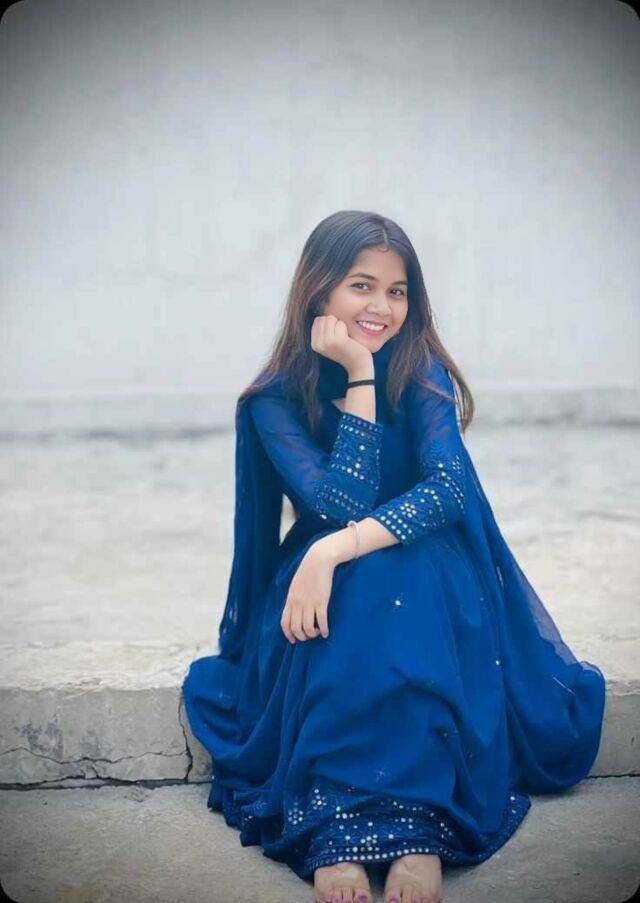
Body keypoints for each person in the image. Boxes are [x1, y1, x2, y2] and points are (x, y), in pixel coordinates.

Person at [182, 210, 606, 903]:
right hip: (324, 580)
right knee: (357, 598)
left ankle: (417, 829)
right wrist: (358, 375)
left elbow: (446, 492)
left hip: (422, 564)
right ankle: (337, 820)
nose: (382, 306)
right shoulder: (274, 399)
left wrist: (336, 549)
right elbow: (339, 501)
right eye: (362, 286)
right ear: (319, 290)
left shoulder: (421, 371)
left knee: (395, 580)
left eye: (397, 290)